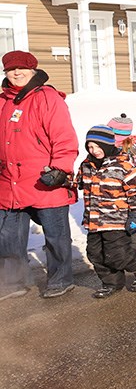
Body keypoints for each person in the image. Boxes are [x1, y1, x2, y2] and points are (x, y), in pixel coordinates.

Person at [0, 50, 79, 300]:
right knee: (8, 238)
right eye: (11, 69)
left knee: (56, 236)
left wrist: (61, 168)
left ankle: (60, 279)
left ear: (33, 70)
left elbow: (64, 136)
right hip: (9, 182)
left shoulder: (47, 98)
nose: (16, 73)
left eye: (21, 68)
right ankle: (14, 282)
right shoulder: (2, 101)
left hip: (45, 180)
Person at [76, 124, 136, 298]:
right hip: (94, 220)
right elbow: (79, 183)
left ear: (107, 145)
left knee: (116, 254)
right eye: (90, 146)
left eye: (97, 146)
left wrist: (134, 214)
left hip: (115, 219)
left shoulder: (123, 165)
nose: (93, 150)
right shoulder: (86, 165)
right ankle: (112, 283)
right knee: (95, 254)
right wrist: (62, 180)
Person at [108, 113, 136, 250]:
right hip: (123, 191)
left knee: (134, 217)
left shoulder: (130, 152)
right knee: (126, 217)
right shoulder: (127, 146)